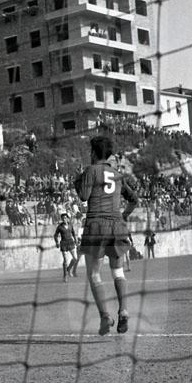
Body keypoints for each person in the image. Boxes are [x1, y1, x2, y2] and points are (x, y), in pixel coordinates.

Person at [74, 135, 138, 336]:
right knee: (118, 271)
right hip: (117, 225)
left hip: (96, 225)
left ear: (93, 153)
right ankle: (124, 310)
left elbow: (83, 196)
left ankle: (105, 317)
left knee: (94, 273)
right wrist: (124, 216)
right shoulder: (117, 174)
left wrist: (78, 180)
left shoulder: (91, 170)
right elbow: (134, 199)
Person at [53, 212, 79, 282]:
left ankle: (69, 269)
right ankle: (65, 276)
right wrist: (57, 242)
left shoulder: (70, 225)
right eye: (63, 218)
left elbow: (73, 233)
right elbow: (55, 235)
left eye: (65, 218)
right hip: (63, 243)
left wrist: (76, 240)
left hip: (71, 242)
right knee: (65, 260)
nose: (64, 219)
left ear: (67, 218)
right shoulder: (60, 227)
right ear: (61, 219)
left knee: (75, 258)